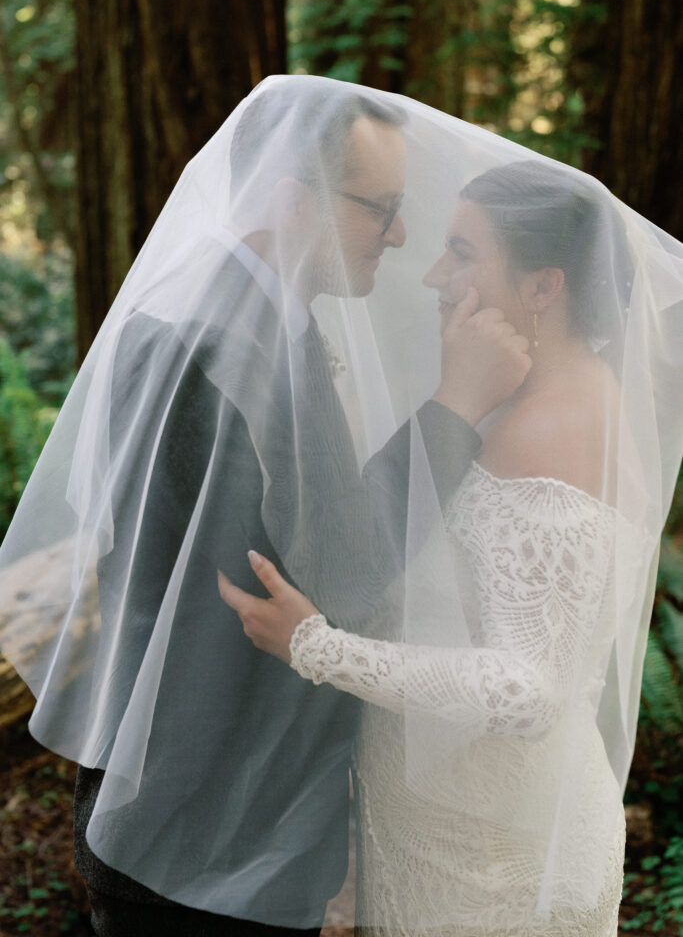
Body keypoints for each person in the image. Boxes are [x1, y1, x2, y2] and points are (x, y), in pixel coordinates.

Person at [0, 77, 531, 936]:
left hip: (216, 826)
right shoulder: (219, 349)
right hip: (197, 841)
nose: (398, 237)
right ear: (293, 202)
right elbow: (324, 579)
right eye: (378, 208)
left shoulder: (258, 320)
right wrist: (454, 411)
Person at [219, 157, 683, 935]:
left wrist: (317, 647)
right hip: (438, 830)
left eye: (463, 253)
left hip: (499, 863)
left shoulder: (566, 428)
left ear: (543, 287)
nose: (432, 274)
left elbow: (527, 690)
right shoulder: (509, 397)